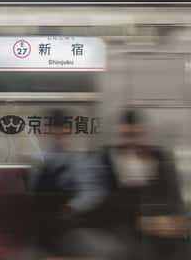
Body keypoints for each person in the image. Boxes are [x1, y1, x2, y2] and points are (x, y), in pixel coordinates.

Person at [97, 108, 189, 260]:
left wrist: (175, 220)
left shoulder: (161, 157)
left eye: (135, 135)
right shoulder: (106, 159)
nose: (131, 142)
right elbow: (104, 204)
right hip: (123, 227)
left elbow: (174, 195)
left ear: (144, 134)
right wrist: (142, 221)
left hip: (161, 223)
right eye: (126, 135)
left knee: (181, 242)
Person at [30, 109, 108, 258]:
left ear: (70, 133)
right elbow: (34, 194)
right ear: (48, 134)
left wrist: (72, 207)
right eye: (55, 135)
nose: (59, 140)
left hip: (71, 224)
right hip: (43, 227)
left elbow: (94, 192)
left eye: (62, 135)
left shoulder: (80, 160)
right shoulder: (40, 160)